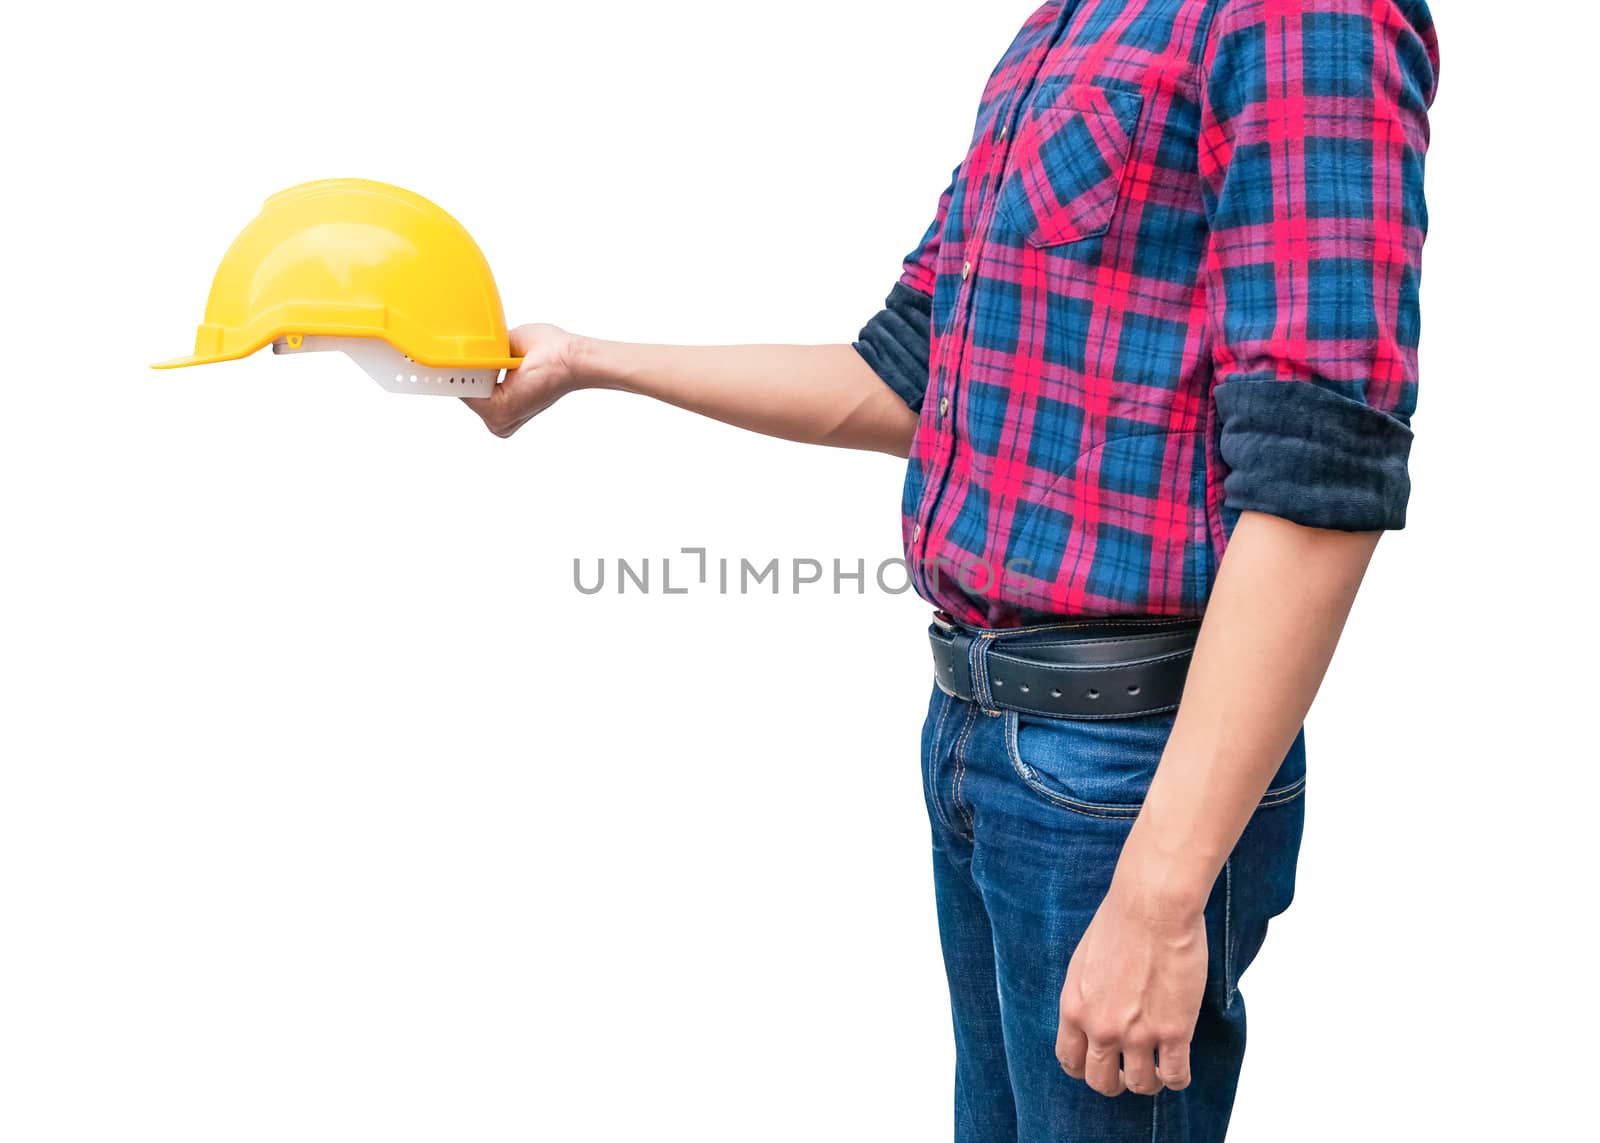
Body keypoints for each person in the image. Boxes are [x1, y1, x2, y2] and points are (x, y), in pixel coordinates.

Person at [463, 0, 1438, 1138]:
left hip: (1127, 769)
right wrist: (588, 363)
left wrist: (1163, 894)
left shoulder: (1302, 15)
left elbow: (1320, 473)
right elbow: (909, 379)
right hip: (984, 745)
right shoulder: (1069, 28)